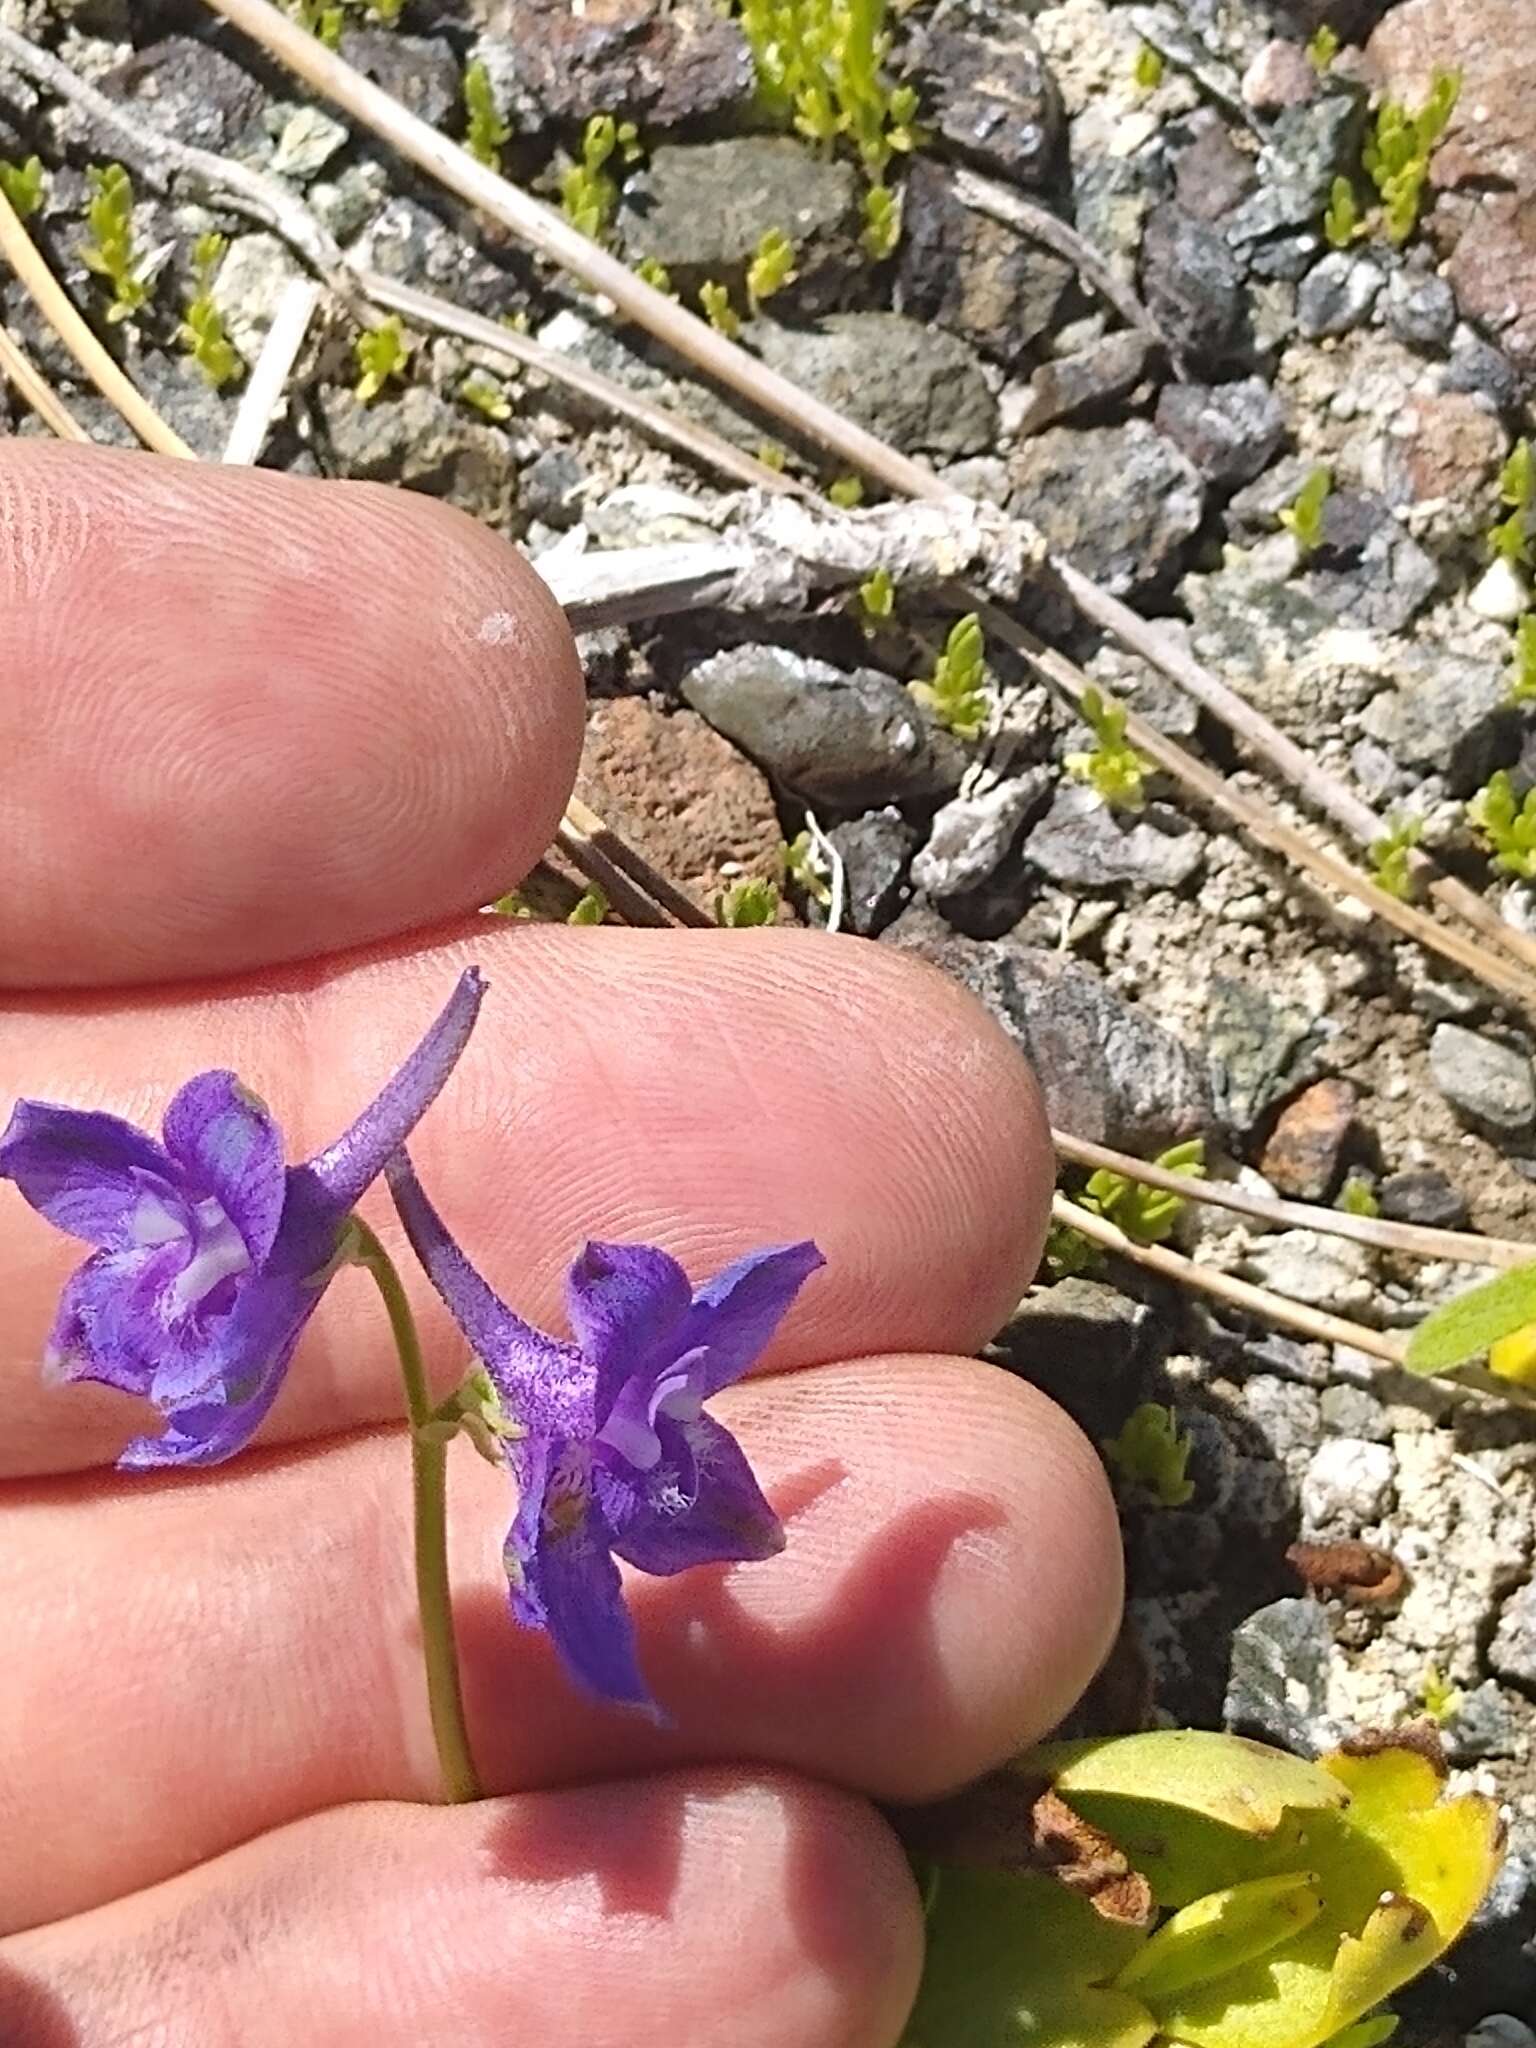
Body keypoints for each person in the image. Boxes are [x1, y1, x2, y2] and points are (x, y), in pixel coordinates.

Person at [0, 441, 1122, 2046]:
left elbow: (722, 1344)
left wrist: (568, 1414)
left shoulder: (566, 1462)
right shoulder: (264, 1253)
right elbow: (124, 1207)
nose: (173, 1287)